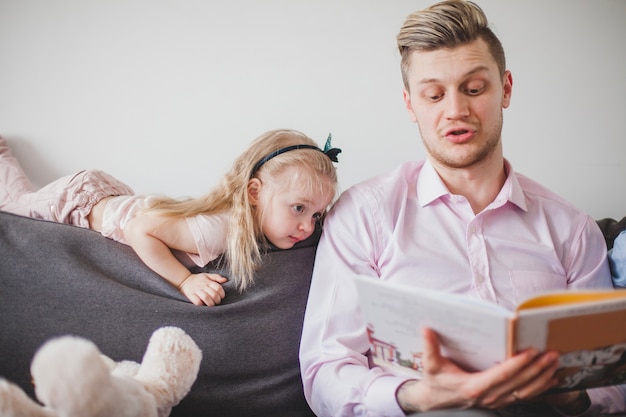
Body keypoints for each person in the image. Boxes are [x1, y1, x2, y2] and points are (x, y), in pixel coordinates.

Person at [299, 1, 626, 416]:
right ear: (410, 104)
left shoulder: (572, 229)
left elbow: (612, 393)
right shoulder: (364, 215)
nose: (455, 111)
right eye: (434, 95)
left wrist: (561, 392)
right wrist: (420, 395)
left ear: (506, 89)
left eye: (473, 89)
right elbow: (325, 370)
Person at [0, 129, 340, 306]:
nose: (307, 226)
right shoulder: (215, 229)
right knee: (13, 210)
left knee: (21, 197)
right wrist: (184, 281)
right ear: (254, 193)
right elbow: (138, 230)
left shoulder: (250, 224)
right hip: (79, 202)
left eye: (316, 214)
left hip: (114, 195)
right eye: (298, 208)